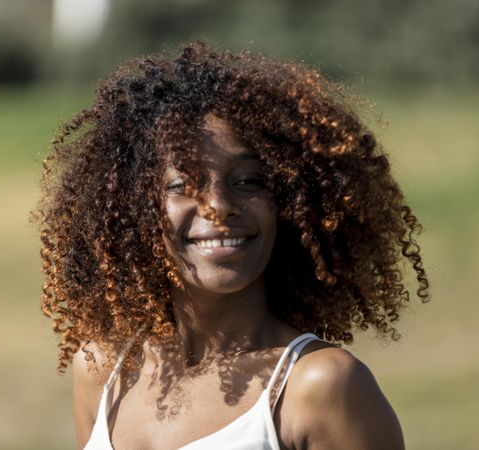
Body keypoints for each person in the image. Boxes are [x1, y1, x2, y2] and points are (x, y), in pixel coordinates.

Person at [35, 41, 429, 449]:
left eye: (249, 181)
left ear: (290, 202)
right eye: (183, 185)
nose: (219, 206)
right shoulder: (104, 369)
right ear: (135, 207)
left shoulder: (319, 386)